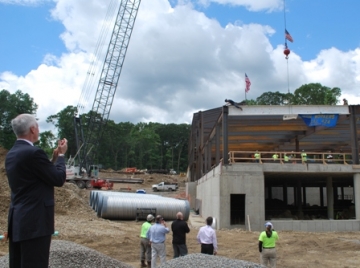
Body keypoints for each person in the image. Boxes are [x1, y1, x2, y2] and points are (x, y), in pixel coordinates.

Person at [5, 113, 68, 268]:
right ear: (32, 129)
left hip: (19, 221)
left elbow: (38, 175)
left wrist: (52, 160)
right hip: (35, 224)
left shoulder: (12, 153)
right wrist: (61, 156)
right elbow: (58, 179)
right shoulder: (34, 153)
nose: (39, 130)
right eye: (38, 127)